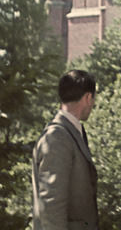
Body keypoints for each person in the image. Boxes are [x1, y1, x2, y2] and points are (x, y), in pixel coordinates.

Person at [32, 70, 99, 230]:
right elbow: (51, 202)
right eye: (94, 99)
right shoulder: (58, 137)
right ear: (88, 97)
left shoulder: (69, 132)